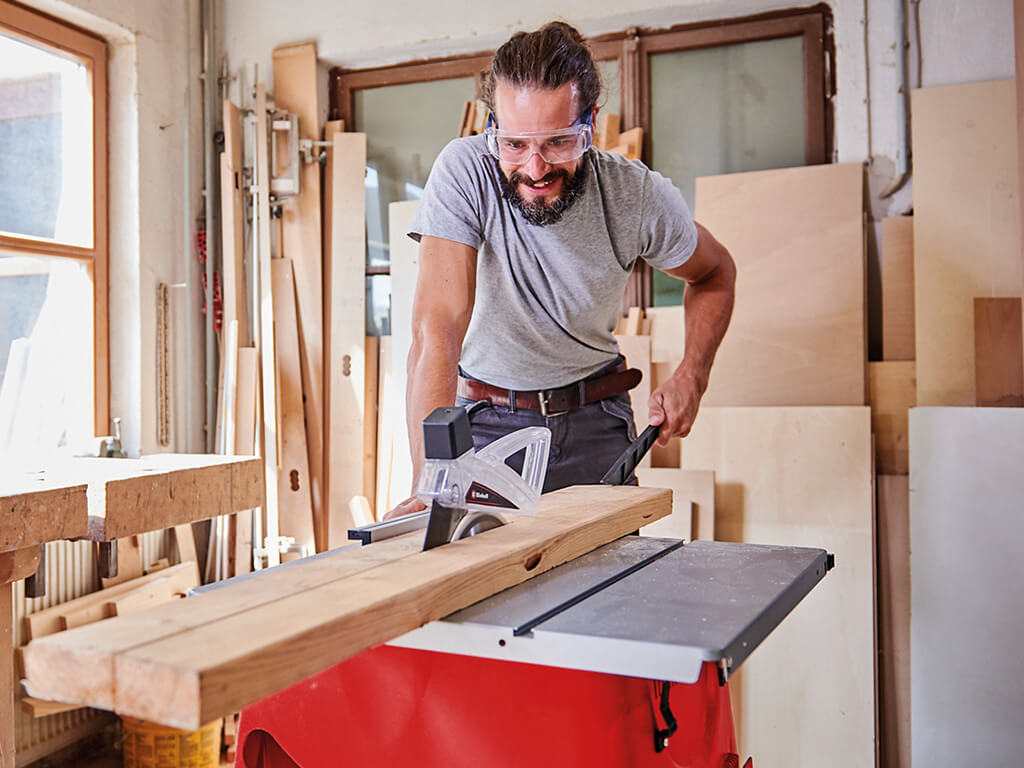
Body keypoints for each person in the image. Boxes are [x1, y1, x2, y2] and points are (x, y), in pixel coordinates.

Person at [391, 20, 735, 517]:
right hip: (486, 425)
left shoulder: (634, 196)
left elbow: (714, 273)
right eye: (514, 144)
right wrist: (433, 481)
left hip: (596, 423)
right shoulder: (464, 173)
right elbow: (436, 328)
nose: (534, 168)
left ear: (591, 122)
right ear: (493, 126)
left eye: (557, 143)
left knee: (602, 589)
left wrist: (692, 376)